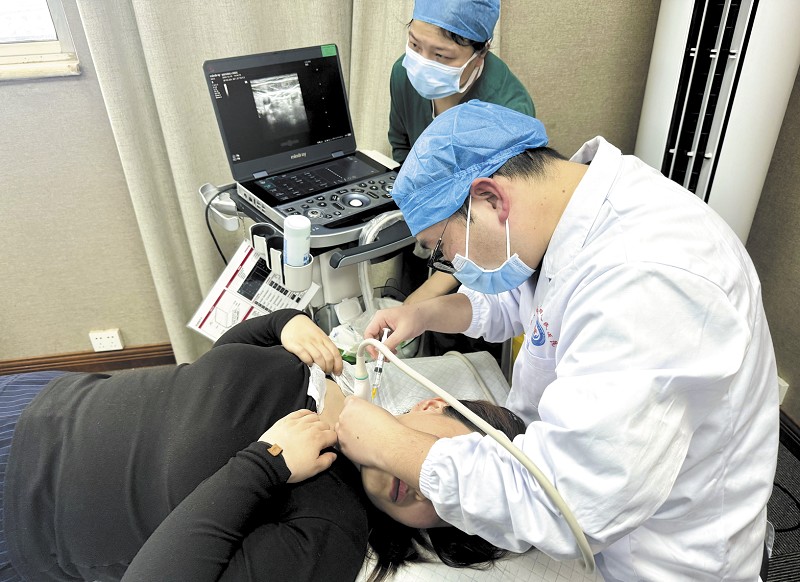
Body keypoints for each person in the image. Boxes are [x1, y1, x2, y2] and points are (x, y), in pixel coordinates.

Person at [336, 100, 780, 580]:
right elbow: (525, 301)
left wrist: (389, 445)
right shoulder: (566, 216)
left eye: (442, 248)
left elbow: (574, 505)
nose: (451, 265)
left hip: (672, 560)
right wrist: (424, 313)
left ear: (490, 198)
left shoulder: (646, 279)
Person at [0, 308, 524, 582]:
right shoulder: (330, 375)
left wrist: (261, 467)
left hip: (24, 508)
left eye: (449, 504)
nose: (424, 485)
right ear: (429, 407)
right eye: (442, 464)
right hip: (40, 399)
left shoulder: (328, 533)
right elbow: (210, 372)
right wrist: (282, 323)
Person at [391, 0, 535, 329]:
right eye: (415, 44)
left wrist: (430, 291)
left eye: (441, 56)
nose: (422, 63)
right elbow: (402, 147)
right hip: (426, 230)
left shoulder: (509, 111)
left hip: (479, 250)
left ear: (480, 53)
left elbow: (496, 222)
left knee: (450, 333)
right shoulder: (404, 74)